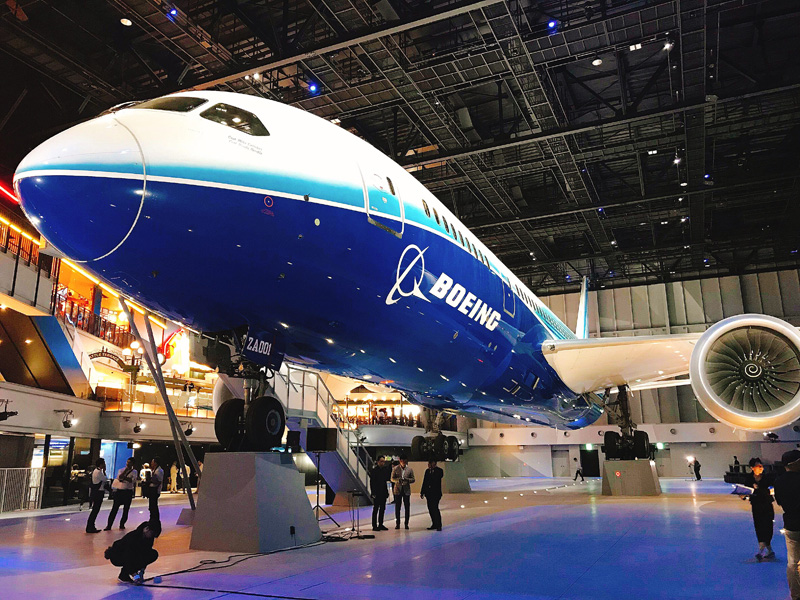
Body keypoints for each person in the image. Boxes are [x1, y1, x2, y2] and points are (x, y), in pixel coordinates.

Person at [104, 520, 162, 584]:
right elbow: (128, 558)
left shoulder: (149, 538)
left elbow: (145, 554)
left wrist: (142, 572)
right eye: (152, 534)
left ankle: (126, 574)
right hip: (117, 555)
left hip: (130, 555)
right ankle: (123, 575)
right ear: (147, 529)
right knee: (134, 557)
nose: (152, 537)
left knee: (153, 554)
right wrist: (135, 576)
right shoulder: (132, 538)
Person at [776, 449, 800, 599]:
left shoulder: (778, 481)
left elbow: (779, 502)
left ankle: (796, 594)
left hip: (791, 525)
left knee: (792, 562)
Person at [745, 458, 775, 560]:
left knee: (768, 526)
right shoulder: (749, 479)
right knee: (759, 526)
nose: (761, 468)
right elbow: (747, 492)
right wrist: (743, 496)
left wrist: (759, 489)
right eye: (759, 466)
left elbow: (771, 490)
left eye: (762, 466)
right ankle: (766, 549)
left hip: (767, 505)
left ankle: (763, 549)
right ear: (752, 468)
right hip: (756, 505)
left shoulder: (767, 478)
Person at [105, 458, 138, 531]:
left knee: (126, 509)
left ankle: (122, 524)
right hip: (120, 491)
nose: (128, 464)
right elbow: (120, 477)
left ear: (133, 464)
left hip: (128, 491)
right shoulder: (121, 470)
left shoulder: (134, 472)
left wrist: (125, 478)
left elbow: (132, 481)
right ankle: (109, 525)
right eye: (127, 462)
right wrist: (125, 473)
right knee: (114, 509)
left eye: (130, 462)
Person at [391, 454, 415, 529]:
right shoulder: (395, 469)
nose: (403, 462)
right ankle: (397, 523)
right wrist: (398, 480)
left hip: (406, 490)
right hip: (398, 490)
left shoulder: (409, 469)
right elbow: (392, 478)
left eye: (405, 461)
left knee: (407, 507)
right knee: (397, 507)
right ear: (400, 461)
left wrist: (407, 480)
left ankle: (406, 523)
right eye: (402, 461)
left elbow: (413, 479)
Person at [86, 458, 108, 533]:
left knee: (95, 510)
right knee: (95, 510)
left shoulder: (95, 471)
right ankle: (90, 526)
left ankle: (91, 526)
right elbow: (105, 479)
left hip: (96, 492)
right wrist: (104, 471)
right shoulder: (99, 472)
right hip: (99, 492)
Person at [421, 459, 444, 531]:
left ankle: (439, 524)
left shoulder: (439, 471)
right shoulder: (427, 471)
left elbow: (437, 478)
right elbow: (425, 481)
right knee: (430, 508)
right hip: (429, 493)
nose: (429, 464)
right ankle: (434, 523)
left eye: (431, 463)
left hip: (436, 493)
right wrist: (422, 492)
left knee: (435, 508)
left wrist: (432, 471)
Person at [369, 455, 391, 531]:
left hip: (383, 492)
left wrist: (386, 492)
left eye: (383, 462)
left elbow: (385, 482)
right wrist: (373, 493)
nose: (382, 463)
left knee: (382, 509)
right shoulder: (374, 471)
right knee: (376, 509)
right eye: (381, 461)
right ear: (378, 462)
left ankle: (381, 524)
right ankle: (374, 525)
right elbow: (372, 483)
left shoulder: (384, 470)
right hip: (377, 492)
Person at [147, 457, 164, 523]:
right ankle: (152, 519)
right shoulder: (155, 470)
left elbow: (158, 481)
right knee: (152, 506)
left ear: (155, 463)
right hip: (152, 489)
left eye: (152, 462)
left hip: (155, 490)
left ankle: (155, 520)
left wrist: (151, 480)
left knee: (153, 506)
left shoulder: (159, 471)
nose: (151, 463)